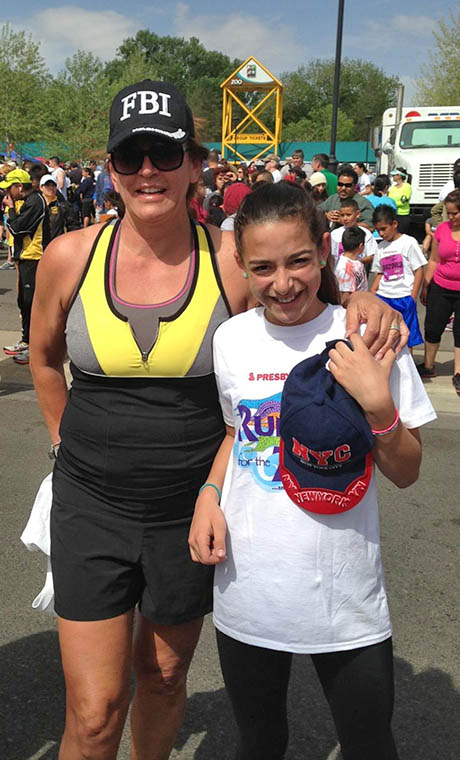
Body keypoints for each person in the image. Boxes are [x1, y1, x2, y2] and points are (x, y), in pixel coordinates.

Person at [29, 79, 407, 760]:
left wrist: (366, 302)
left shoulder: (228, 259)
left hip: (189, 507)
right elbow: (45, 360)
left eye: (166, 154)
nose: (148, 171)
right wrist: (64, 443)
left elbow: (299, 294)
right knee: (95, 710)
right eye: (131, 156)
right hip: (91, 504)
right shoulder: (70, 256)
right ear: (111, 167)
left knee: (163, 677)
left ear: (195, 164)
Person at [189, 181, 436, 760]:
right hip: (249, 588)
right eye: (263, 267)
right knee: (260, 742)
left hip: (345, 597)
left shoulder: (368, 334)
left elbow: (407, 471)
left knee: (369, 745)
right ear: (241, 265)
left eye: (298, 260)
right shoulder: (231, 340)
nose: (283, 283)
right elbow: (236, 433)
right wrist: (208, 494)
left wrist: (378, 406)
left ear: (324, 249)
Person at [0, 168, 50, 365]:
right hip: (25, 257)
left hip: (34, 258)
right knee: (24, 302)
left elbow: (17, 228)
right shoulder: (29, 200)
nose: (7, 193)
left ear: (19, 186)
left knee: (32, 304)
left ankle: (35, 347)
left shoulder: (35, 201)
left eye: (9, 188)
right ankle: (26, 340)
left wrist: (11, 209)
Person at [419, 189, 460, 394]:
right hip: (441, 286)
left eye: (455, 213)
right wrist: (426, 285)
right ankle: (428, 365)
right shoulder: (442, 229)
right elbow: (434, 260)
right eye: (448, 213)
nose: (450, 217)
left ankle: (458, 372)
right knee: (433, 326)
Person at [371, 206, 426, 354]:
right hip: (384, 297)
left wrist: (413, 296)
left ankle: (408, 364)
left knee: (406, 336)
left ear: (394, 224)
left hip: (404, 297)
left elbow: (419, 270)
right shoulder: (380, 247)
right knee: (384, 334)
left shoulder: (409, 242)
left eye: (384, 229)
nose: (381, 233)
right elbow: (380, 272)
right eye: (378, 230)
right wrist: (373, 292)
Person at [330, 198, 378, 270]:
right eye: (342, 215)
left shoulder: (366, 233)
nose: (345, 218)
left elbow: (373, 255)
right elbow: (332, 256)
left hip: (358, 272)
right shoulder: (335, 234)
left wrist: (355, 262)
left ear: (357, 214)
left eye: (348, 215)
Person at [335, 226, 368, 306]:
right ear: (361, 246)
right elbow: (345, 297)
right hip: (353, 308)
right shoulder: (346, 268)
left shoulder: (357, 263)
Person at [388, 168, 412, 234]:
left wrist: (392, 205)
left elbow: (403, 201)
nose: (393, 176)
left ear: (399, 176)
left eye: (394, 175)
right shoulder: (393, 187)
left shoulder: (407, 186)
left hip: (403, 215)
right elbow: (389, 199)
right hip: (393, 214)